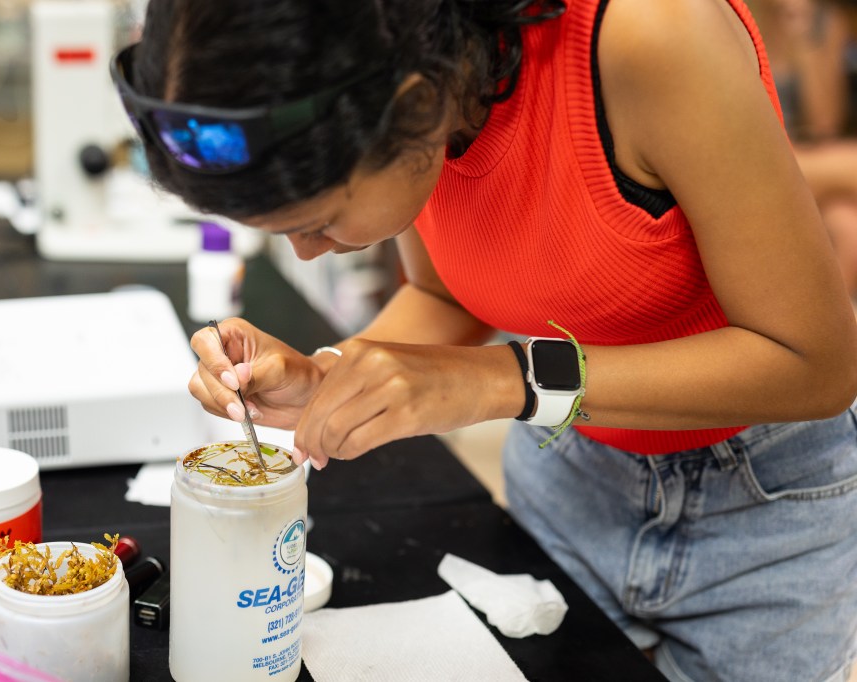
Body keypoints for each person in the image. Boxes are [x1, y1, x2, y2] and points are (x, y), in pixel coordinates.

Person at [113, 0, 857, 679]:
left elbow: (815, 365)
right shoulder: (424, 67)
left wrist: (502, 380)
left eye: (319, 220)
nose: (308, 253)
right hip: (569, 472)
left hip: (762, 515)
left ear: (414, 103)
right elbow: (445, 295)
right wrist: (332, 374)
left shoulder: (650, 35)